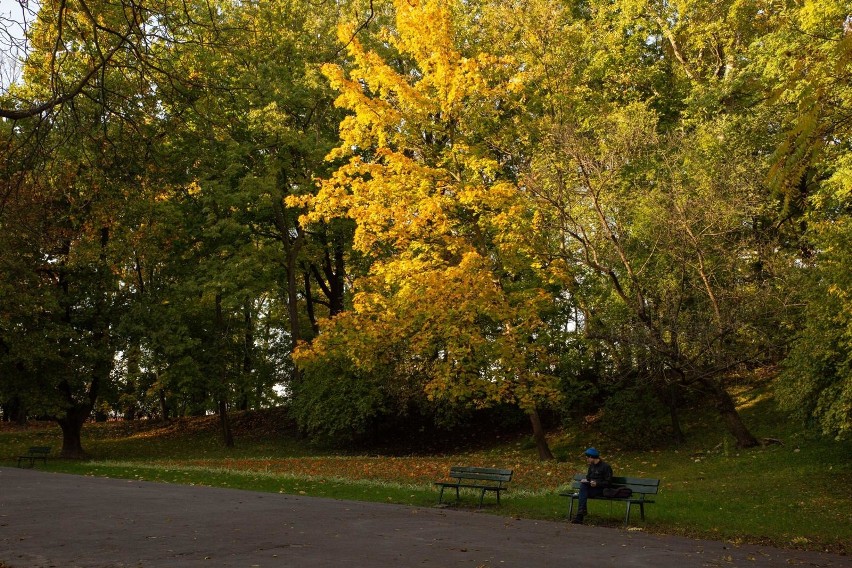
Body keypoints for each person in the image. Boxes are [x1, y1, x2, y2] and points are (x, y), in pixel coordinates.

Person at [571, 447, 613, 524]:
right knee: (583, 487)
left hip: (601, 490)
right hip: (591, 489)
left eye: (587, 458)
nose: (587, 460)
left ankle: (580, 516)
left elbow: (608, 482)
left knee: (582, 492)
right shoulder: (591, 466)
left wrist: (597, 483)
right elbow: (588, 478)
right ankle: (580, 514)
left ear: (591, 457)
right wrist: (587, 481)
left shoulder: (606, 467)